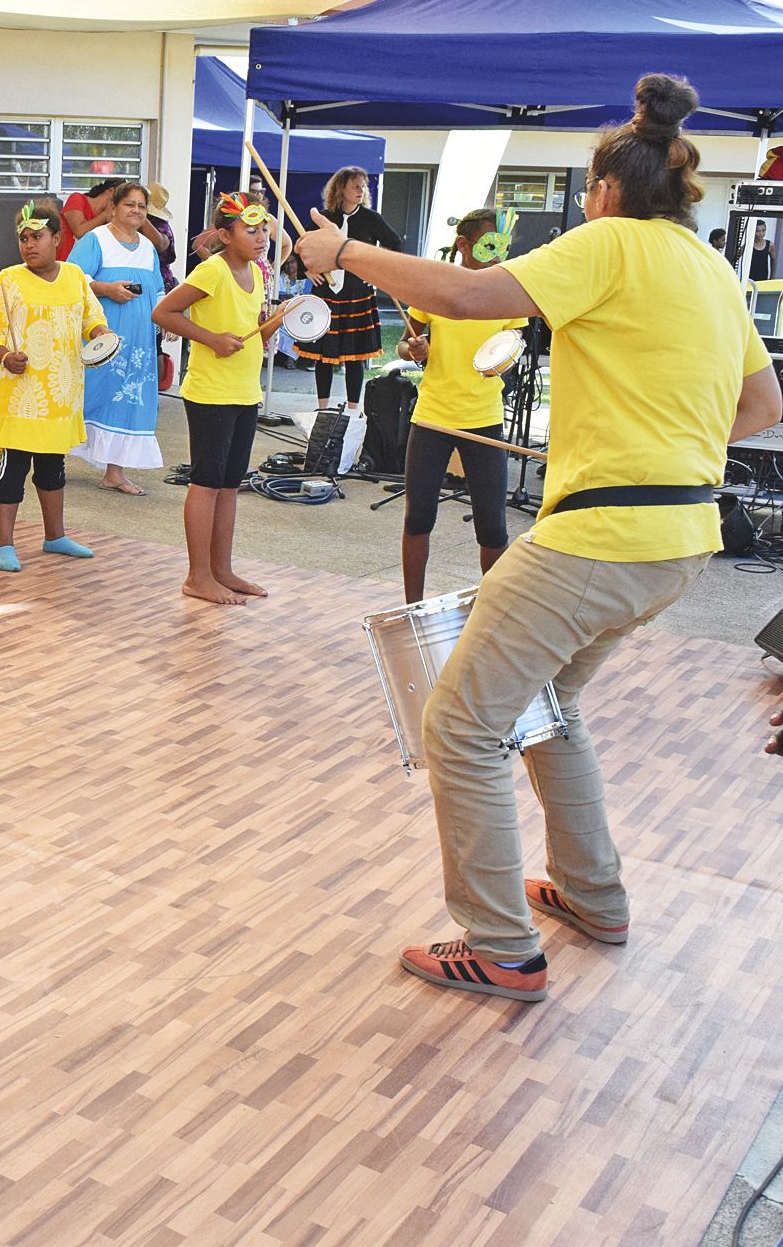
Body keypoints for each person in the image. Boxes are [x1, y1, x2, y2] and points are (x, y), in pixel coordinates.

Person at [295, 73, 779, 1003]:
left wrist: (346, 249)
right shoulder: (711, 268)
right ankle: (593, 895)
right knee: (548, 704)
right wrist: (664, 430)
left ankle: (500, 945)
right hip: (678, 539)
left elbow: (473, 295)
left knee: (462, 722)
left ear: (602, 190)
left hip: (598, 535)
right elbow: (761, 405)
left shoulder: (607, 242)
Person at [154, 192, 285, 606]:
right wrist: (210, 338)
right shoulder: (211, 271)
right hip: (210, 393)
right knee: (207, 483)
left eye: (264, 228)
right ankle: (197, 576)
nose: (261, 236)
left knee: (230, 485)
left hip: (246, 391)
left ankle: (222, 569)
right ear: (226, 235)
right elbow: (163, 313)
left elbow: (253, 333)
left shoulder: (260, 272)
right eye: (251, 229)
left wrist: (279, 323)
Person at [394, 207, 526, 603]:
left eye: (503, 246)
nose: (498, 254)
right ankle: (411, 607)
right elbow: (405, 343)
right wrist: (415, 349)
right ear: (464, 245)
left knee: (492, 526)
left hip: (484, 418)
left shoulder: (507, 294)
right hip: (433, 416)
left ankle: (492, 611)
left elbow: (512, 347)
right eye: (489, 245)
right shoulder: (437, 289)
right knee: (418, 518)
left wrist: (506, 359)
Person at [0, 201, 109, 573]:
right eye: (24, 238)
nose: (30, 244)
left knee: (53, 468)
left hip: (61, 396)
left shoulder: (77, 277)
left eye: (38, 237)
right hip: (21, 398)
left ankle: (55, 536)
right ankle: (4, 544)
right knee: (13, 469)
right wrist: (3, 356)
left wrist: (101, 335)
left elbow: (93, 318)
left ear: (57, 238)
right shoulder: (7, 280)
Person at [68, 182, 165, 493]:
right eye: (129, 204)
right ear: (113, 208)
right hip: (102, 337)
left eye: (141, 206)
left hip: (139, 342)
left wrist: (167, 320)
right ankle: (53, 459)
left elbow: (158, 289)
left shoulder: (148, 247)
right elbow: (73, 280)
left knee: (129, 400)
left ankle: (115, 472)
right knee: (89, 393)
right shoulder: (95, 239)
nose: (136, 210)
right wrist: (107, 289)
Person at [302, 165, 404, 411]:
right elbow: (303, 246)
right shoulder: (326, 218)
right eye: (355, 186)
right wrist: (309, 269)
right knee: (323, 355)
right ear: (341, 189)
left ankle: (352, 408)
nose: (361, 190)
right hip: (326, 293)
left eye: (363, 186)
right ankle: (322, 408)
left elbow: (395, 243)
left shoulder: (370, 218)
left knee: (354, 355)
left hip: (357, 293)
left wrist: (377, 271)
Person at [58, 177, 122, 261]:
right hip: (63, 262)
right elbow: (79, 231)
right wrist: (104, 215)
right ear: (112, 191)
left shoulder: (110, 218)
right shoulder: (77, 198)